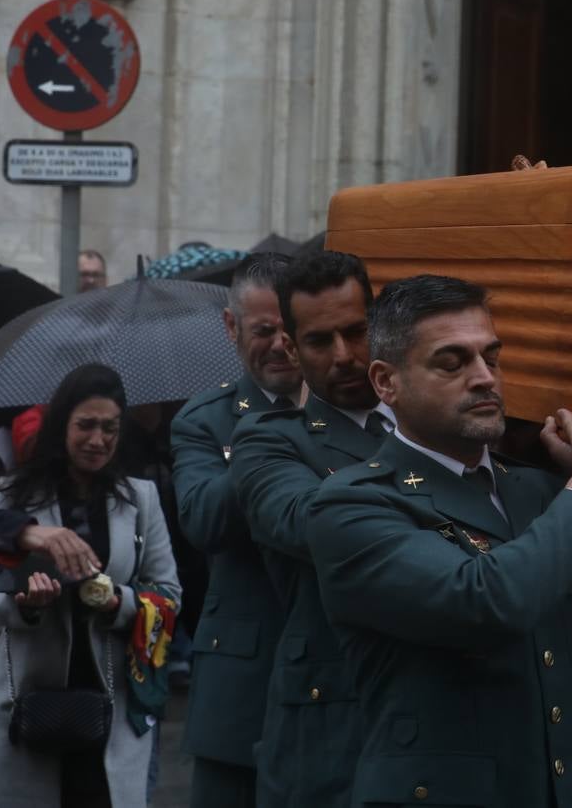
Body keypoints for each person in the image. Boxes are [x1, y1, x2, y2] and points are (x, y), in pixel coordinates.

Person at [305, 274, 572, 807]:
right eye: (453, 362)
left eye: (492, 357)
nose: (485, 378)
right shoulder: (352, 504)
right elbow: (482, 603)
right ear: (386, 382)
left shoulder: (540, 490)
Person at [229, 250, 387, 806]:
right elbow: (308, 522)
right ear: (293, 350)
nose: (344, 356)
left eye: (356, 332)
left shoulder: (440, 422)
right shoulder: (269, 439)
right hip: (330, 736)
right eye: (321, 341)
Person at [0, 364, 181, 807]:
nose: (98, 440)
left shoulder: (141, 499)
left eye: (110, 428)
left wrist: (117, 602)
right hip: (25, 700)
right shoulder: (11, 498)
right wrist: (25, 607)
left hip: (114, 705)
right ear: (61, 424)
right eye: (86, 425)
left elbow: (169, 595)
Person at [171, 253, 304, 807]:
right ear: (232, 328)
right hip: (244, 689)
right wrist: (263, 439)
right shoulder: (206, 420)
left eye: (291, 329)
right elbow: (204, 520)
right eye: (263, 331)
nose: (280, 345)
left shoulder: (353, 414)